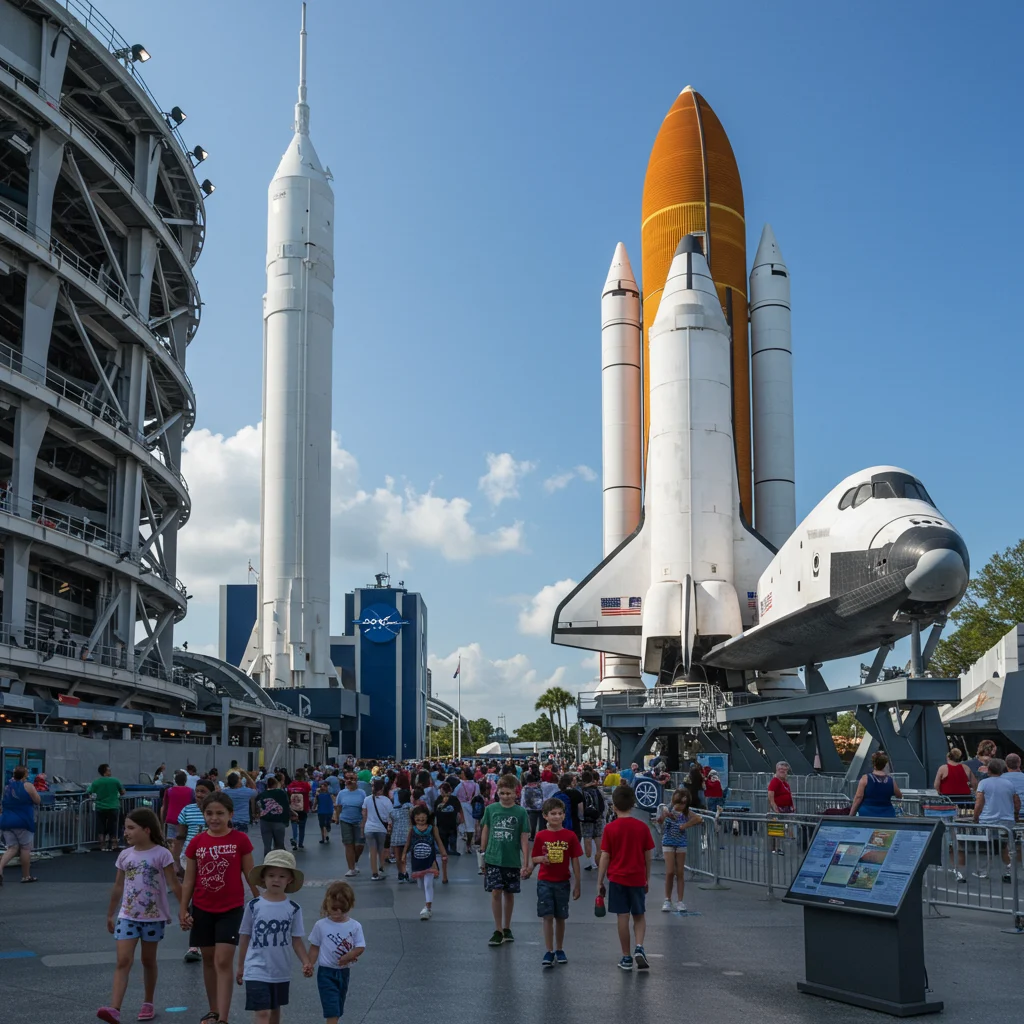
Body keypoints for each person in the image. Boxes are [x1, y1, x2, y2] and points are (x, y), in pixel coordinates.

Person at [179, 791, 258, 1024]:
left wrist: (260, 900)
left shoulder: (240, 840)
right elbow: (190, 879)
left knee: (223, 960)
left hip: (231, 909)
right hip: (202, 908)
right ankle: (213, 1010)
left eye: (220, 814)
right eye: (209, 813)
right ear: (203, 815)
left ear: (230, 814)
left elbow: (250, 874)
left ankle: (223, 1017)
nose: (214, 818)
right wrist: (184, 908)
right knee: (208, 959)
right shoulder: (197, 842)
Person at [96, 809, 181, 1024]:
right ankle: (115, 1008)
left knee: (148, 960)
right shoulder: (125, 855)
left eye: (131, 828)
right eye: (125, 828)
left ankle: (148, 1002)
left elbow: (173, 883)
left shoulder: (162, 854)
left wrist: (185, 909)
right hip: (128, 916)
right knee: (123, 960)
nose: (126, 832)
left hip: (153, 917)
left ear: (146, 829)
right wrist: (110, 913)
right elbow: (118, 885)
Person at [236, 850, 310, 1024]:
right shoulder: (254, 906)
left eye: (282, 876)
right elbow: (244, 936)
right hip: (256, 968)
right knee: (262, 1013)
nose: (276, 880)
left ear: (289, 880)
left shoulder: (293, 908)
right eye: (271, 875)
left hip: (280, 970)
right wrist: (241, 966)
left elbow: (296, 939)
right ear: (263, 878)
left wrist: (306, 961)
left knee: (275, 1010)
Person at [597, 785, 654, 971]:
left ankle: (626, 956)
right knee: (639, 915)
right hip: (637, 877)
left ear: (614, 806)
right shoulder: (642, 827)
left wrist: (600, 880)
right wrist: (647, 877)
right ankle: (639, 946)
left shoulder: (610, 829)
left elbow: (605, 855)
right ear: (633, 804)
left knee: (622, 916)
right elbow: (648, 855)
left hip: (617, 878)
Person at [525, 798, 582, 967]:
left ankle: (559, 948)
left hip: (563, 882)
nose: (556, 817)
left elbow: (575, 860)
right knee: (547, 916)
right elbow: (534, 857)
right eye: (553, 814)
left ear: (564, 815)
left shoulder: (570, 836)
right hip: (545, 881)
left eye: (559, 814)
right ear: (545, 816)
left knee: (561, 917)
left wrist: (577, 883)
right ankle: (549, 950)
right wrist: (540, 860)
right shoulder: (541, 836)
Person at [480, 774, 531, 946]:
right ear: (498, 793)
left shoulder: (521, 812)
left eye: (509, 793)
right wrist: (482, 852)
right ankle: (498, 929)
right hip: (493, 857)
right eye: (502, 793)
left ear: (516, 793)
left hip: (512, 859)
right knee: (495, 892)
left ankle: (507, 927)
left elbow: (524, 837)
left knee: (509, 893)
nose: (505, 796)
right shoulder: (491, 810)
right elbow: (486, 830)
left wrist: (526, 862)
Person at [308, 881, 365, 1024]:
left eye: (341, 909)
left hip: (344, 972)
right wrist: (309, 964)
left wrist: (350, 955)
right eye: (333, 908)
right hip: (326, 972)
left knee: (338, 1008)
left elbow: (360, 946)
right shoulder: (321, 925)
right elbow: (315, 946)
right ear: (326, 904)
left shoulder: (355, 926)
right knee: (332, 1009)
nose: (337, 912)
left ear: (349, 906)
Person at [974, 757, 1021, 883]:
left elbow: (979, 802)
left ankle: (984, 871)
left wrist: (975, 817)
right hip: (1006, 820)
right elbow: (1017, 802)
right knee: (1005, 846)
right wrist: (1015, 815)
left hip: (988, 820)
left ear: (989, 769)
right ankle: (1007, 871)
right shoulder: (1009, 784)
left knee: (986, 847)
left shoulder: (983, 783)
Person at [656, 788, 702, 912]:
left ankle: (680, 901)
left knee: (680, 872)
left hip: (681, 843)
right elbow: (659, 821)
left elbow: (699, 818)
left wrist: (685, 825)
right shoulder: (667, 809)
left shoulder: (686, 812)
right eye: (679, 803)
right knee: (670, 871)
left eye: (684, 803)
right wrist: (664, 816)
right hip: (668, 842)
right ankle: (667, 899)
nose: (681, 806)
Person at [403, 805, 446, 920]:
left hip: (430, 860)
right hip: (417, 861)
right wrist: (403, 855)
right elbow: (407, 843)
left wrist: (443, 853)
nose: (421, 821)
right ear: (414, 818)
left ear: (427, 817)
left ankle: (428, 908)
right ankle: (428, 897)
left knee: (427, 884)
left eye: (423, 818)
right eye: (418, 819)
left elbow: (438, 841)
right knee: (421, 884)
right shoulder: (412, 829)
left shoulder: (432, 828)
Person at [0, 765, 41, 883]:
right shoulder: (28, 786)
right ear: (25, 775)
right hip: (23, 820)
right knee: (25, 848)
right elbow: (37, 800)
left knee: (12, 848)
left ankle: (0, 869)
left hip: (6, 820)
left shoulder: (7, 787)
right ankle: (26, 876)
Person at [850, 752, 902, 817]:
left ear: (873, 764)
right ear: (884, 764)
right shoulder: (890, 780)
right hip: (887, 814)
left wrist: (851, 815)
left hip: (867, 814)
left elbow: (858, 797)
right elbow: (899, 795)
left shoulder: (865, 778)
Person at [334, 771, 366, 877]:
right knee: (349, 844)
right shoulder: (342, 793)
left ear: (356, 780)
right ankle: (351, 868)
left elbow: (365, 808)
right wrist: (337, 818)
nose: (349, 781)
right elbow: (338, 807)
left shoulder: (362, 793)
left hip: (359, 821)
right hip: (345, 820)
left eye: (352, 778)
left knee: (359, 845)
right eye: (347, 778)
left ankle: (355, 860)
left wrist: (365, 820)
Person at [361, 778, 393, 881]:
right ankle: (381, 869)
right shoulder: (387, 801)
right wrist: (389, 827)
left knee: (372, 851)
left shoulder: (367, 799)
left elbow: (364, 815)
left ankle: (374, 873)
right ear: (382, 788)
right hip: (381, 829)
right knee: (381, 850)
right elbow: (390, 816)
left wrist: (362, 829)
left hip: (369, 828)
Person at [89, 764, 126, 852]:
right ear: (105, 772)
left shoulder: (96, 782)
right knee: (113, 826)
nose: (110, 772)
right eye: (109, 770)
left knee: (100, 827)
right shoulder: (115, 781)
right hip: (113, 806)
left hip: (100, 807)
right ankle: (113, 845)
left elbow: (90, 792)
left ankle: (102, 845)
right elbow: (122, 792)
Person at [255, 777, 292, 857]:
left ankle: (267, 862)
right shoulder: (281, 793)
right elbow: (286, 807)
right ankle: (279, 861)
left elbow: (258, 807)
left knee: (267, 845)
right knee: (279, 845)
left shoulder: (261, 795)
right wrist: (286, 821)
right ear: (275, 784)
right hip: (279, 821)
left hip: (265, 821)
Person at [580, 770, 606, 871]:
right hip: (598, 817)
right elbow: (602, 805)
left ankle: (589, 862)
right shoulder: (597, 790)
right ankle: (599, 861)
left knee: (587, 839)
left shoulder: (582, 791)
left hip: (587, 819)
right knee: (598, 838)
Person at [432, 782, 462, 867]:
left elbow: (457, 809)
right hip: (446, 823)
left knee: (448, 837)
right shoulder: (440, 799)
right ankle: (449, 850)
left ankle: (450, 850)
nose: (442, 793)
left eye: (442, 791)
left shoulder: (452, 799)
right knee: (446, 837)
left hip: (446, 823)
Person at [767, 761, 794, 854]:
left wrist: (792, 807)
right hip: (778, 809)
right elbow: (770, 794)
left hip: (786, 809)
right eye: (781, 769)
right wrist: (774, 807)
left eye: (785, 770)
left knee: (783, 828)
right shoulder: (775, 781)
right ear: (777, 770)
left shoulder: (784, 783)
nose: (783, 771)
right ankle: (775, 849)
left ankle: (780, 847)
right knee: (777, 828)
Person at [454, 767, 481, 855]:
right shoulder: (476, 785)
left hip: (461, 806)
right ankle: (469, 844)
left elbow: (454, 794)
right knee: (471, 827)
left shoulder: (460, 785)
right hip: (471, 806)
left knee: (462, 824)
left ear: (465, 775)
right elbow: (477, 795)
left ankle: (462, 839)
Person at [389, 789, 412, 882]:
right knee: (409, 856)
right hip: (409, 835)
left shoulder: (394, 812)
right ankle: (408, 872)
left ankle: (401, 873)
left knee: (398, 856)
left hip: (396, 835)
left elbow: (391, 824)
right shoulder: (413, 809)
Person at [286, 769, 312, 850]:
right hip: (303, 807)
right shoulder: (306, 785)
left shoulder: (291, 785)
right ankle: (301, 843)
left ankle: (295, 840)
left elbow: (288, 791)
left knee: (294, 825)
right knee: (302, 826)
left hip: (294, 807)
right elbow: (309, 790)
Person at [520, 773, 545, 842]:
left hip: (531, 808)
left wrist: (522, 807)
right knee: (541, 823)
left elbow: (523, 799)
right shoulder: (539, 787)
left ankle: (532, 836)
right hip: (540, 806)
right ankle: (541, 836)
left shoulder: (525, 788)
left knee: (532, 824)